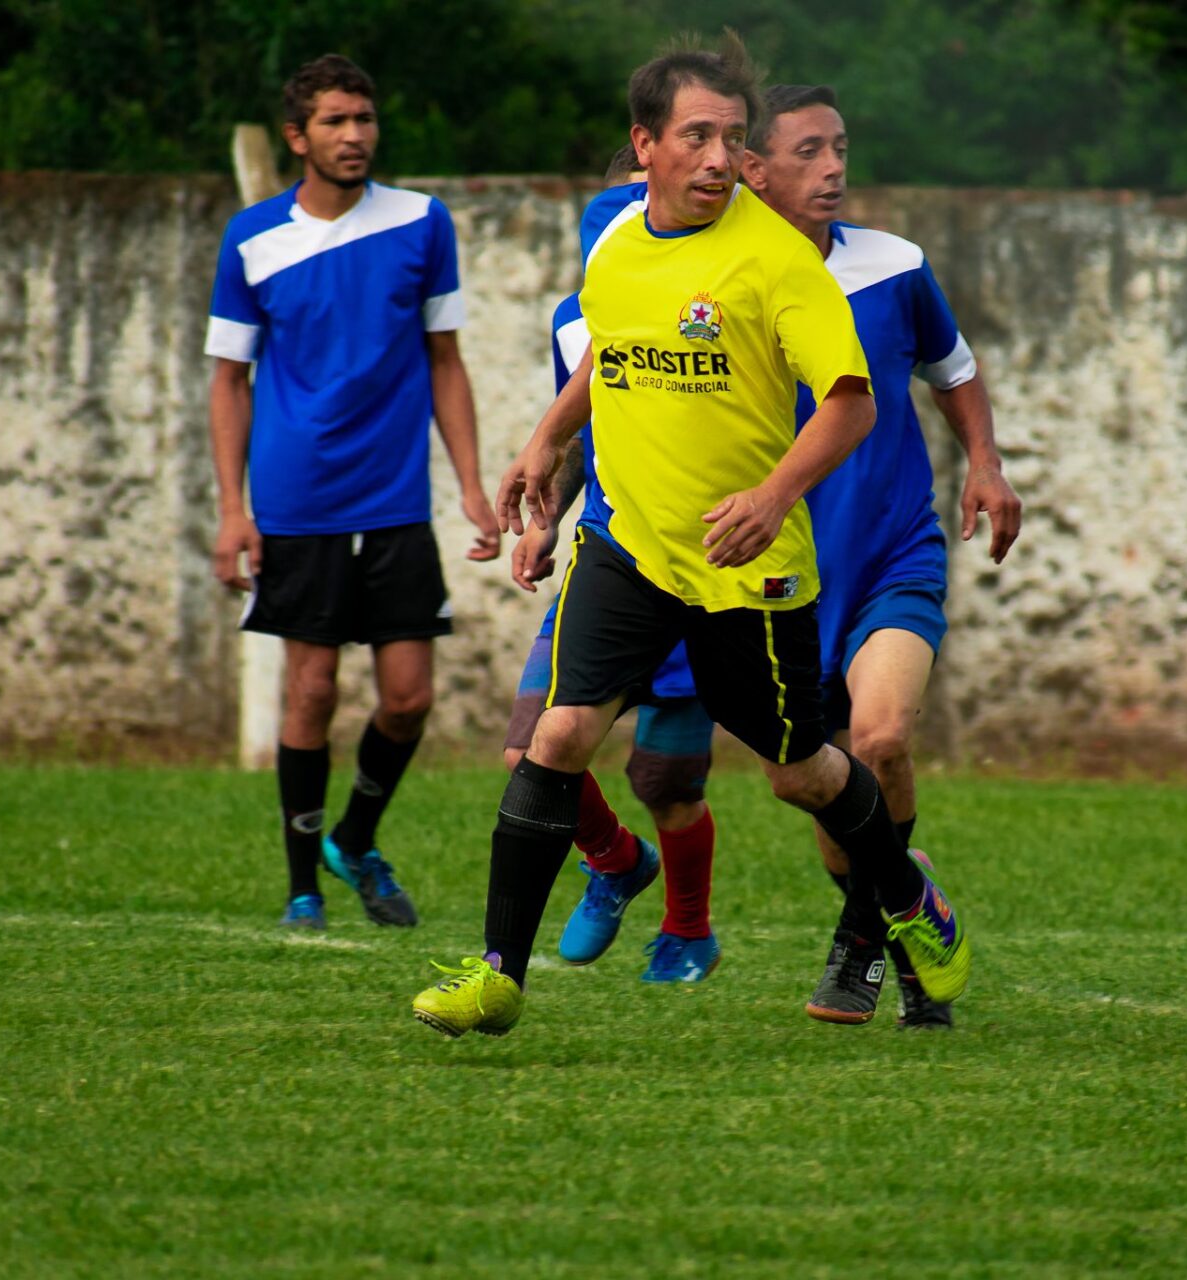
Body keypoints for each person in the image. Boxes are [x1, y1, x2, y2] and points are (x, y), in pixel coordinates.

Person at [411, 33, 972, 1038]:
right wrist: (544, 440)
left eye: (733, 139)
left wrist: (770, 495)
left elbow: (850, 406)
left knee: (801, 770)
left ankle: (906, 894)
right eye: (698, 136)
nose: (719, 158)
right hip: (630, 547)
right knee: (559, 734)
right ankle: (498, 974)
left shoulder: (776, 260)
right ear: (646, 146)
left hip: (746, 569)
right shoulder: (619, 244)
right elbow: (612, 351)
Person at [741, 84, 1022, 1028]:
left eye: (841, 149)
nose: (834, 170)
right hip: (780, 574)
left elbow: (955, 370)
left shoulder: (895, 266)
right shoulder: (729, 281)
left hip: (896, 551)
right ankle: (907, 909)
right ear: (755, 170)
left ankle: (861, 946)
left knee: (883, 738)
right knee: (808, 786)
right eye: (809, 153)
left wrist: (985, 464)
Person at [204, 54, 500, 932]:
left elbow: (446, 361)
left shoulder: (420, 223)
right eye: (334, 121)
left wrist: (475, 488)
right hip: (299, 499)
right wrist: (233, 508)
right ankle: (304, 887)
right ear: (298, 137)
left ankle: (355, 838)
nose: (354, 136)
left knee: (410, 697)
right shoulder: (253, 238)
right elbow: (229, 381)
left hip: (397, 501)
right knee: (312, 690)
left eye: (364, 119)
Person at [502, 147, 723, 985]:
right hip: (606, 555)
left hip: (695, 561)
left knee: (665, 776)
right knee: (529, 748)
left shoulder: (721, 302)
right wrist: (543, 522)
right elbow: (579, 432)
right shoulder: (574, 319)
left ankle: (688, 931)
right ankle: (614, 861)